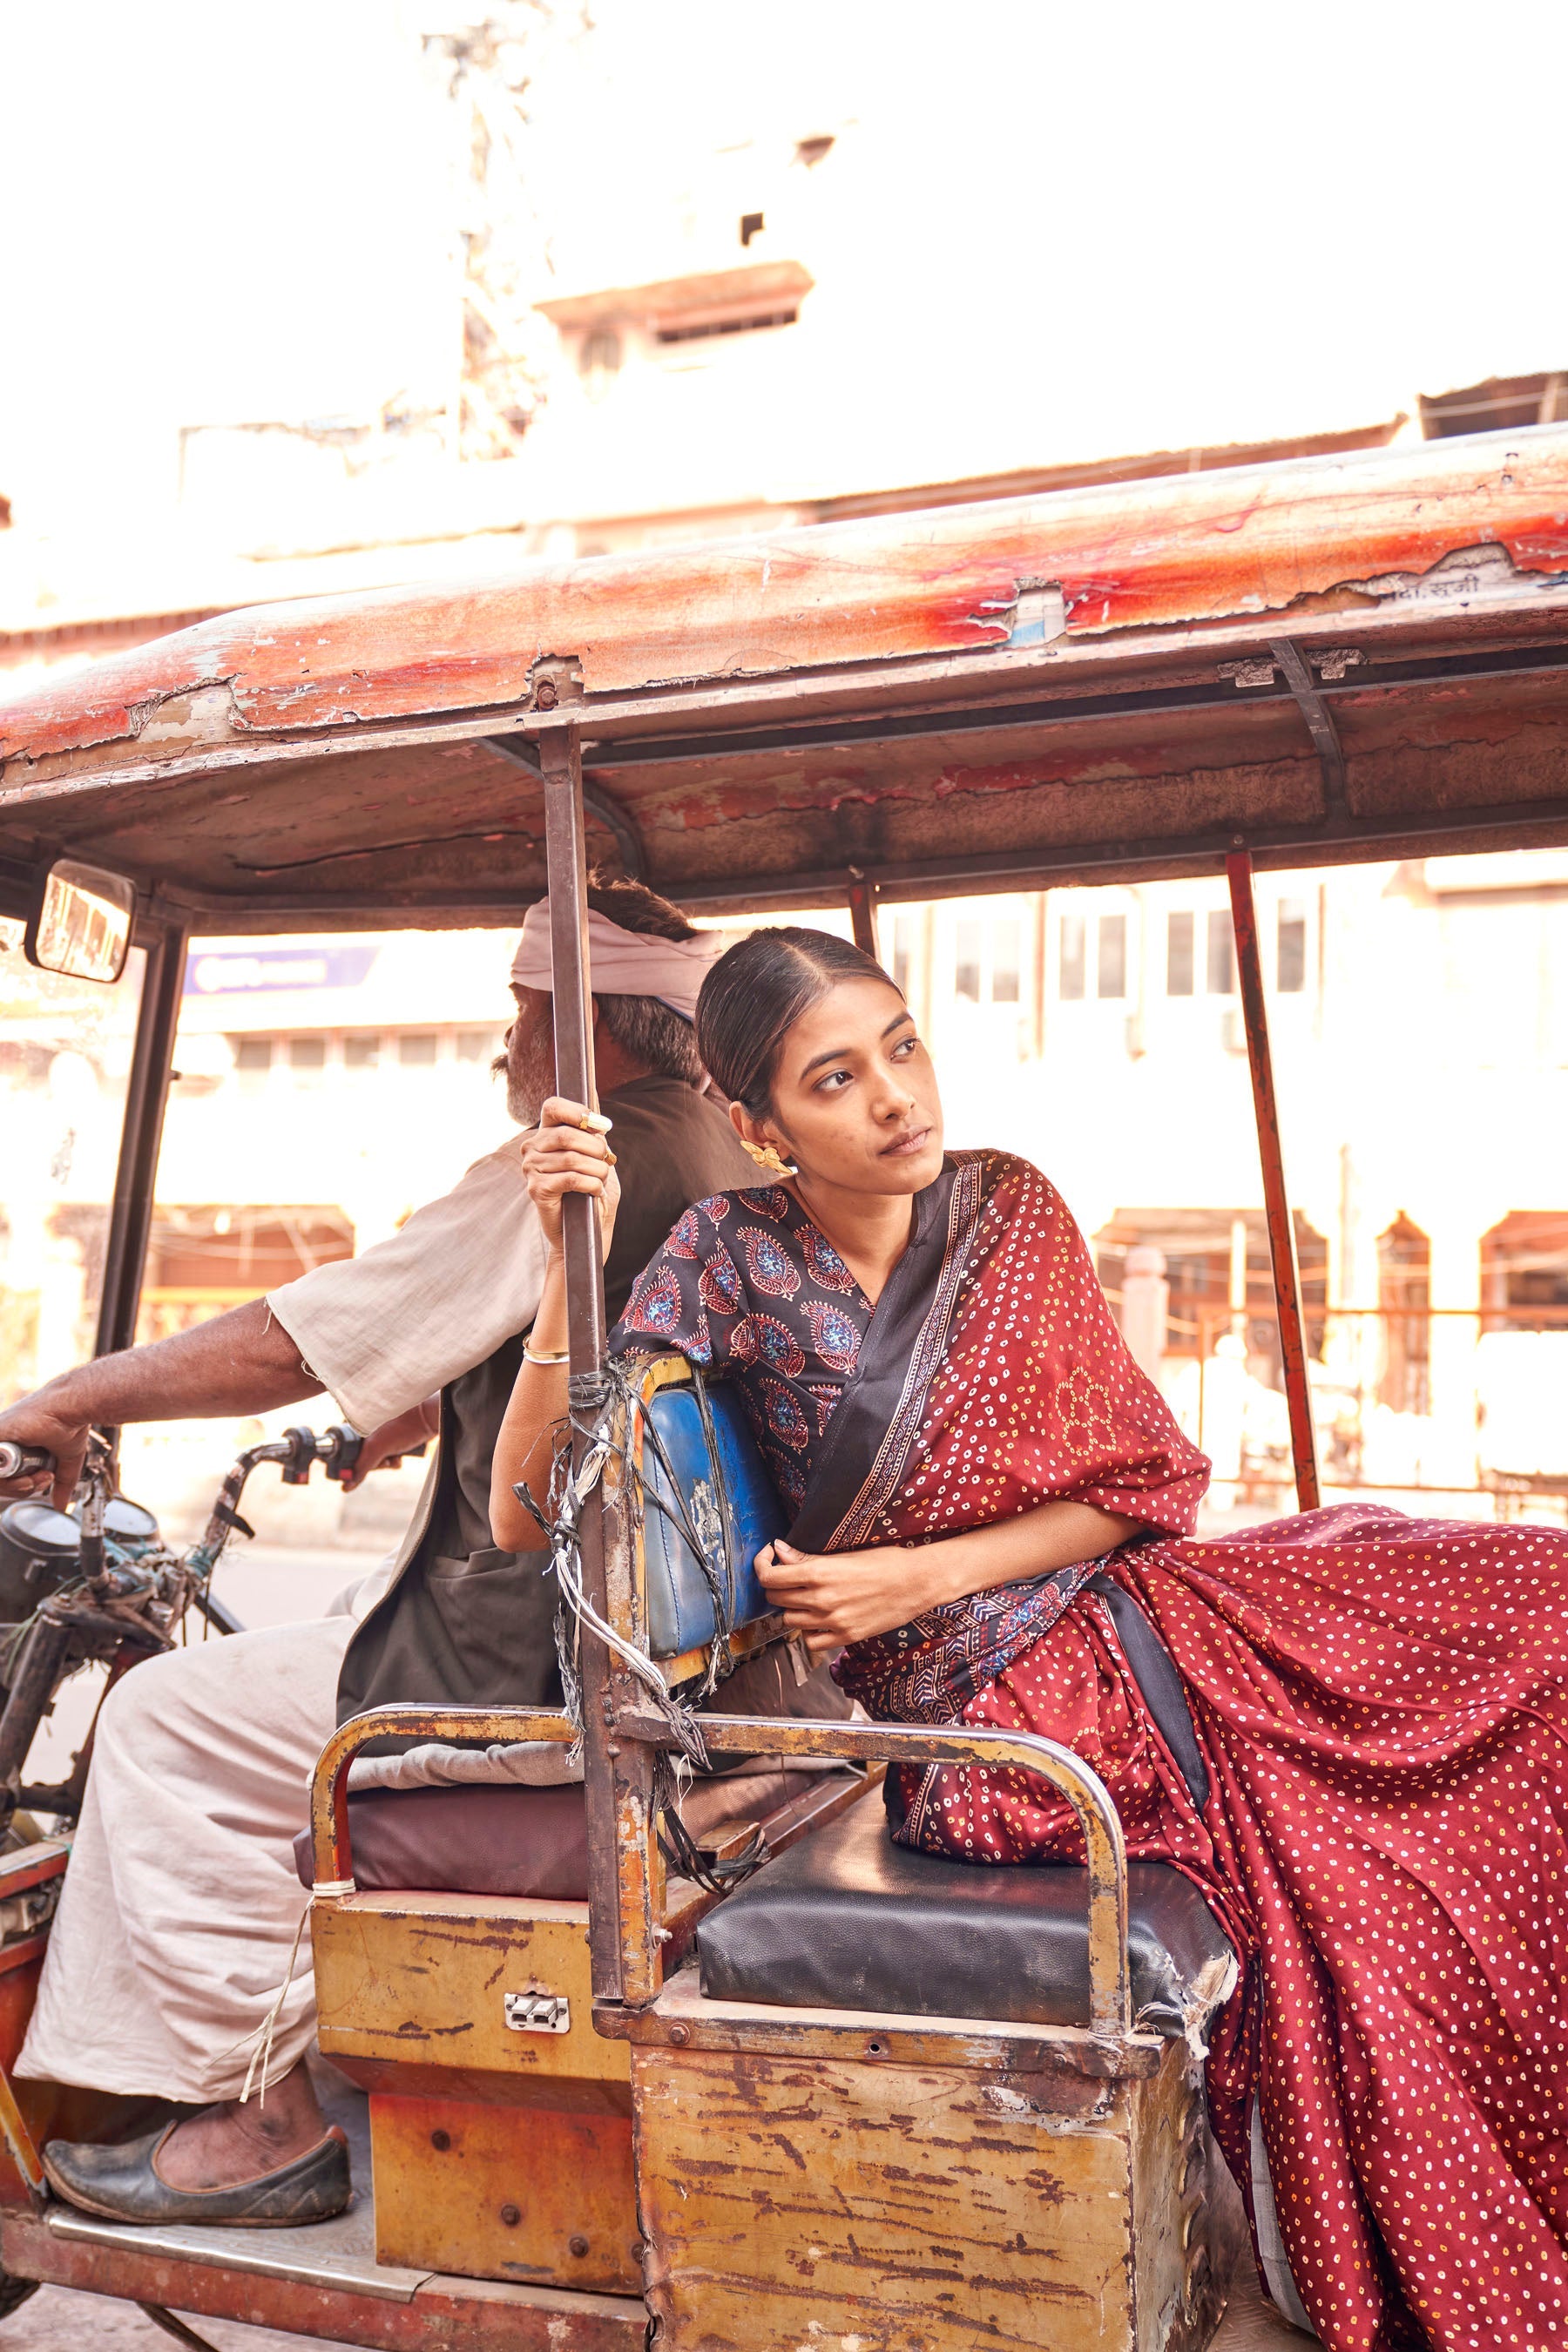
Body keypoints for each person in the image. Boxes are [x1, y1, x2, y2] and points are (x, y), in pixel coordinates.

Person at [493, 923, 1568, 2352]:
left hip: (1139, 1626)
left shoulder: (1012, 1209)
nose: (896, 1098)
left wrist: (906, 1576)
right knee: (1386, 1856)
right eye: (834, 1080)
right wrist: (563, 1265)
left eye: (902, 1046)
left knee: (1520, 1605)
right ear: (760, 1128)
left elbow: (1134, 1498)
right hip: (996, 1733)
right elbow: (524, 1517)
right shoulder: (727, 1257)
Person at [0, 877, 813, 2227]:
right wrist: (419, 1411)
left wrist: (69, 1401)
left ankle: (256, 2121)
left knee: (166, 1718)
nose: (508, 1041)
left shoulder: (570, 1167)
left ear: (586, 1027)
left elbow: (293, 1333)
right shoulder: (726, 1154)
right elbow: (611, 1357)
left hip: (552, 1674)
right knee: (277, 1673)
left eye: (521, 1010)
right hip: (706, 1671)